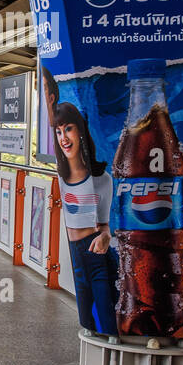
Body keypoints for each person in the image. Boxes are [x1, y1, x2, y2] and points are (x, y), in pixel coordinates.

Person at [54, 102, 119, 337]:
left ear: (80, 131)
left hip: (95, 252)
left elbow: (104, 227)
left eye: (68, 129)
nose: (64, 138)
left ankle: (114, 362)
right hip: (74, 252)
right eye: (58, 131)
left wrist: (105, 236)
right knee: (86, 319)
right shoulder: (60, 176)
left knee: (106, 315)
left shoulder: (102, 179)